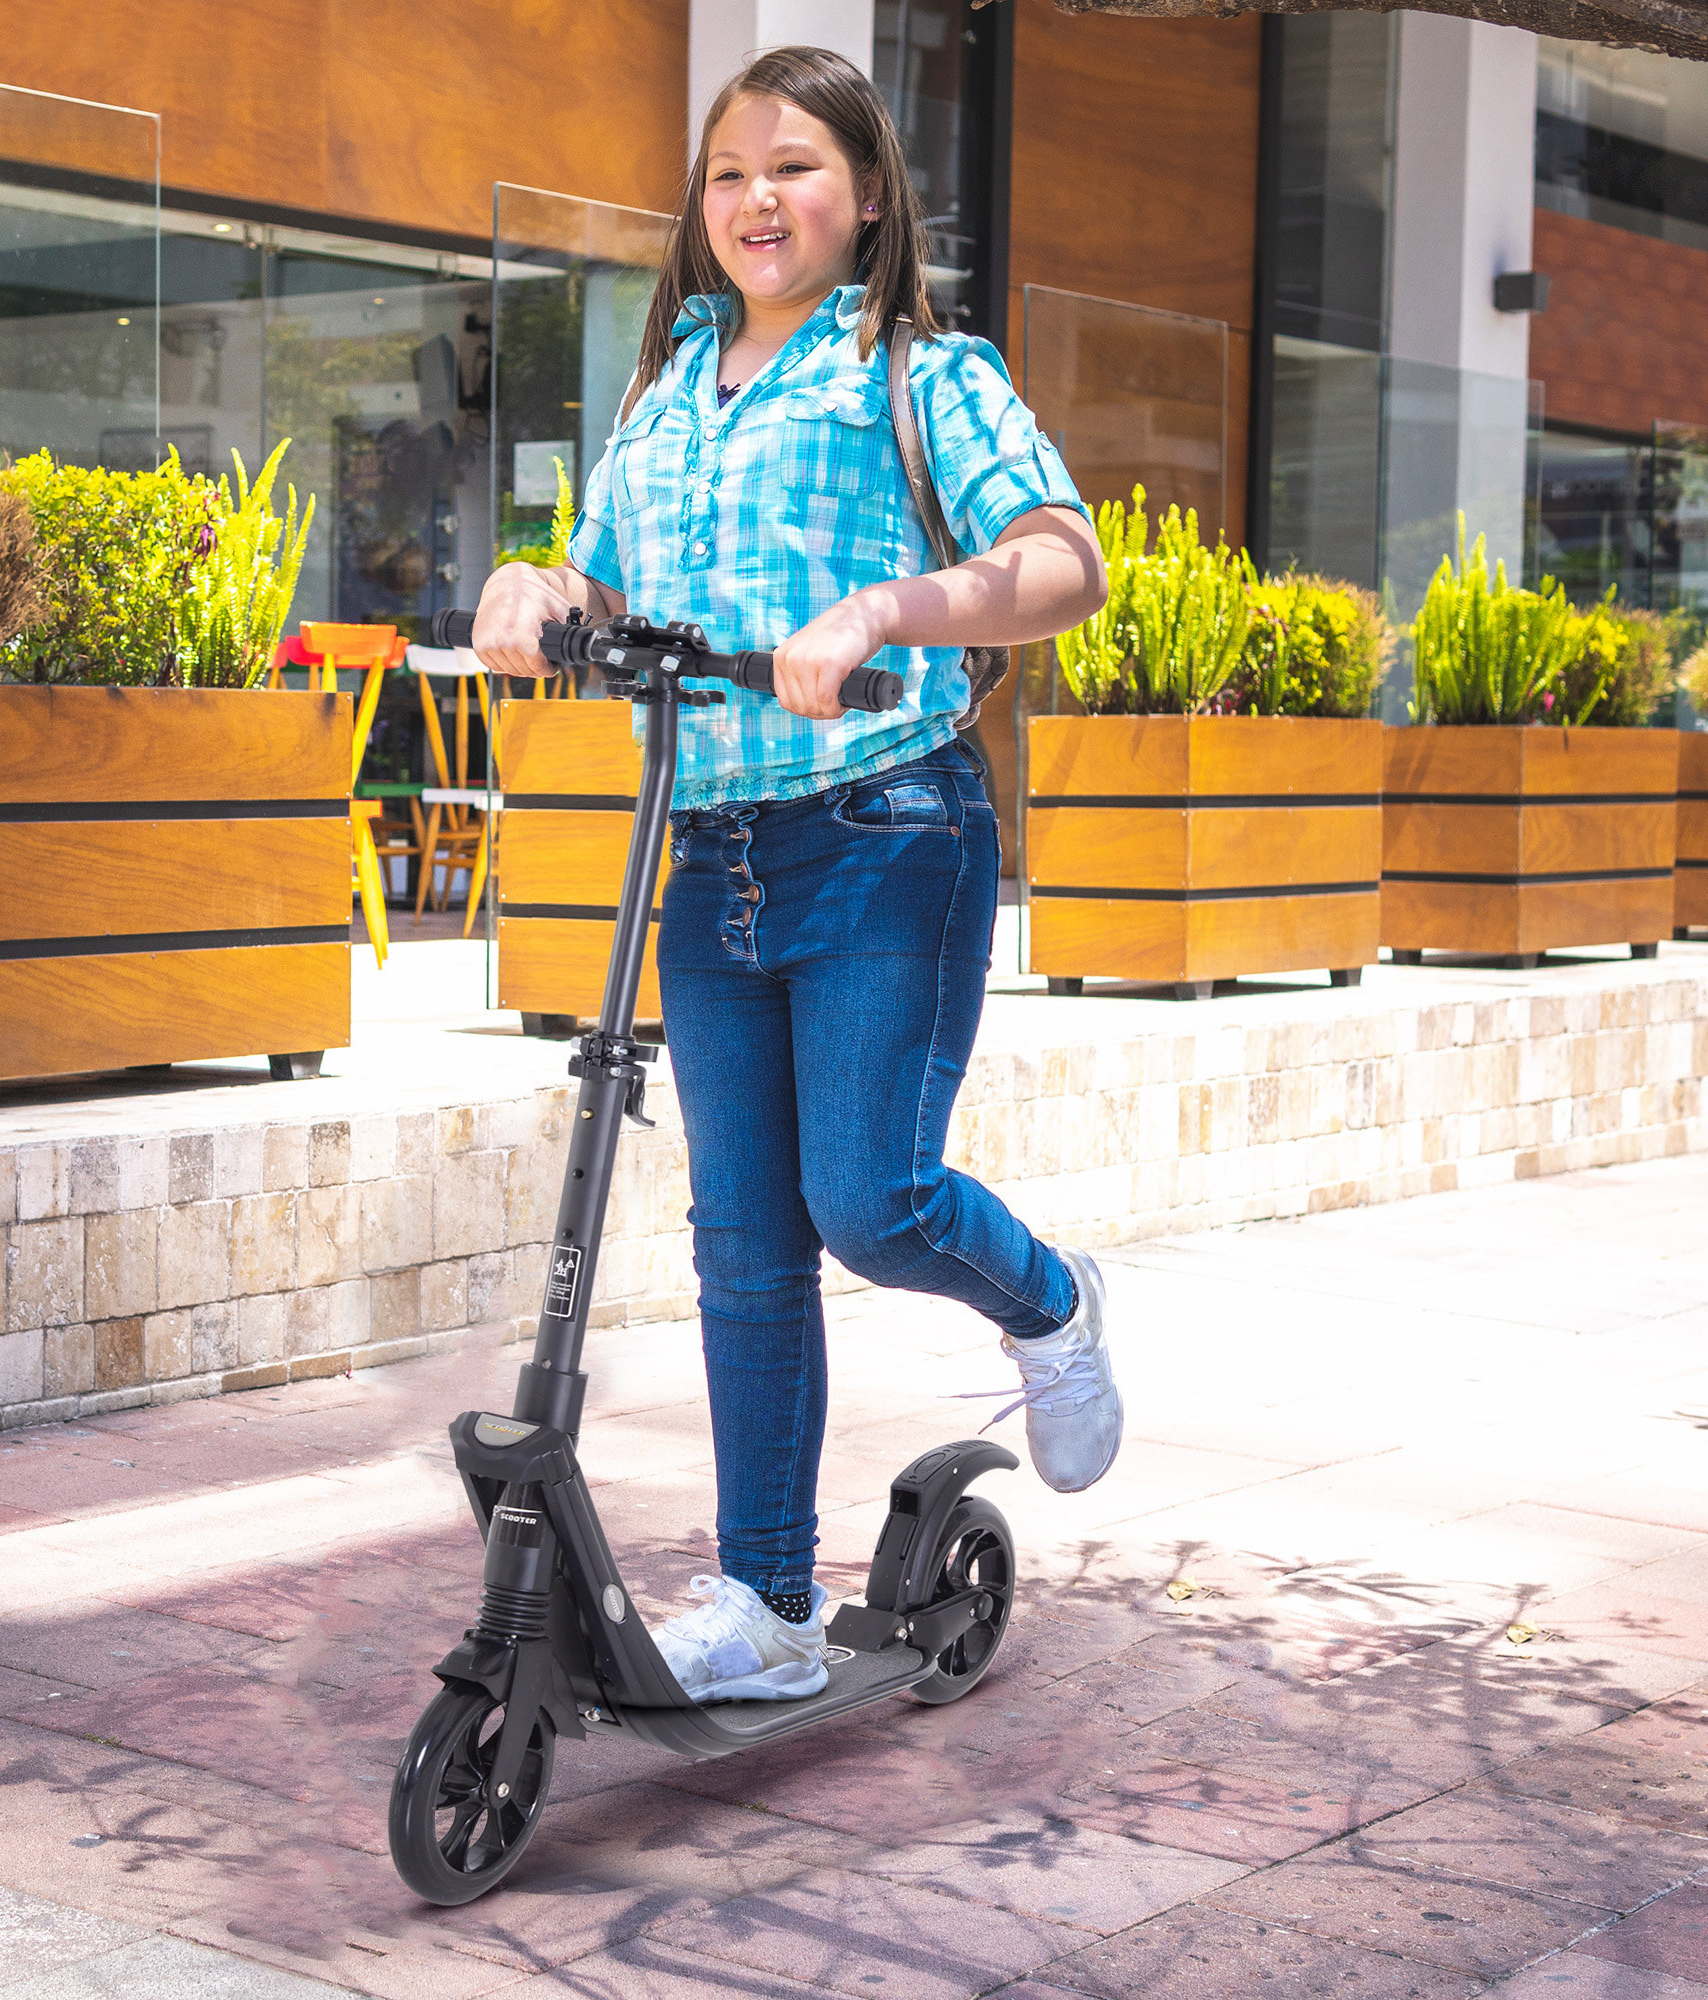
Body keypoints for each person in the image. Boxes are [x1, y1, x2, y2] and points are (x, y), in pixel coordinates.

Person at [470, 46, 1120, 1705]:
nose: (758, 199)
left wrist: (886, 611)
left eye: (796, 166)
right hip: (708, 851)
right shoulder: (667, 396)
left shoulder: (922, 372)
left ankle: (1048, 1301)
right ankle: (764, 1605)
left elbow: (1063, 562)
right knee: (744, 1247)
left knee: (871, 1203)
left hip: (888, 830)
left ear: (872, 193)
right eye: (729, 174)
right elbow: (598, 585)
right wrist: (529, 588)